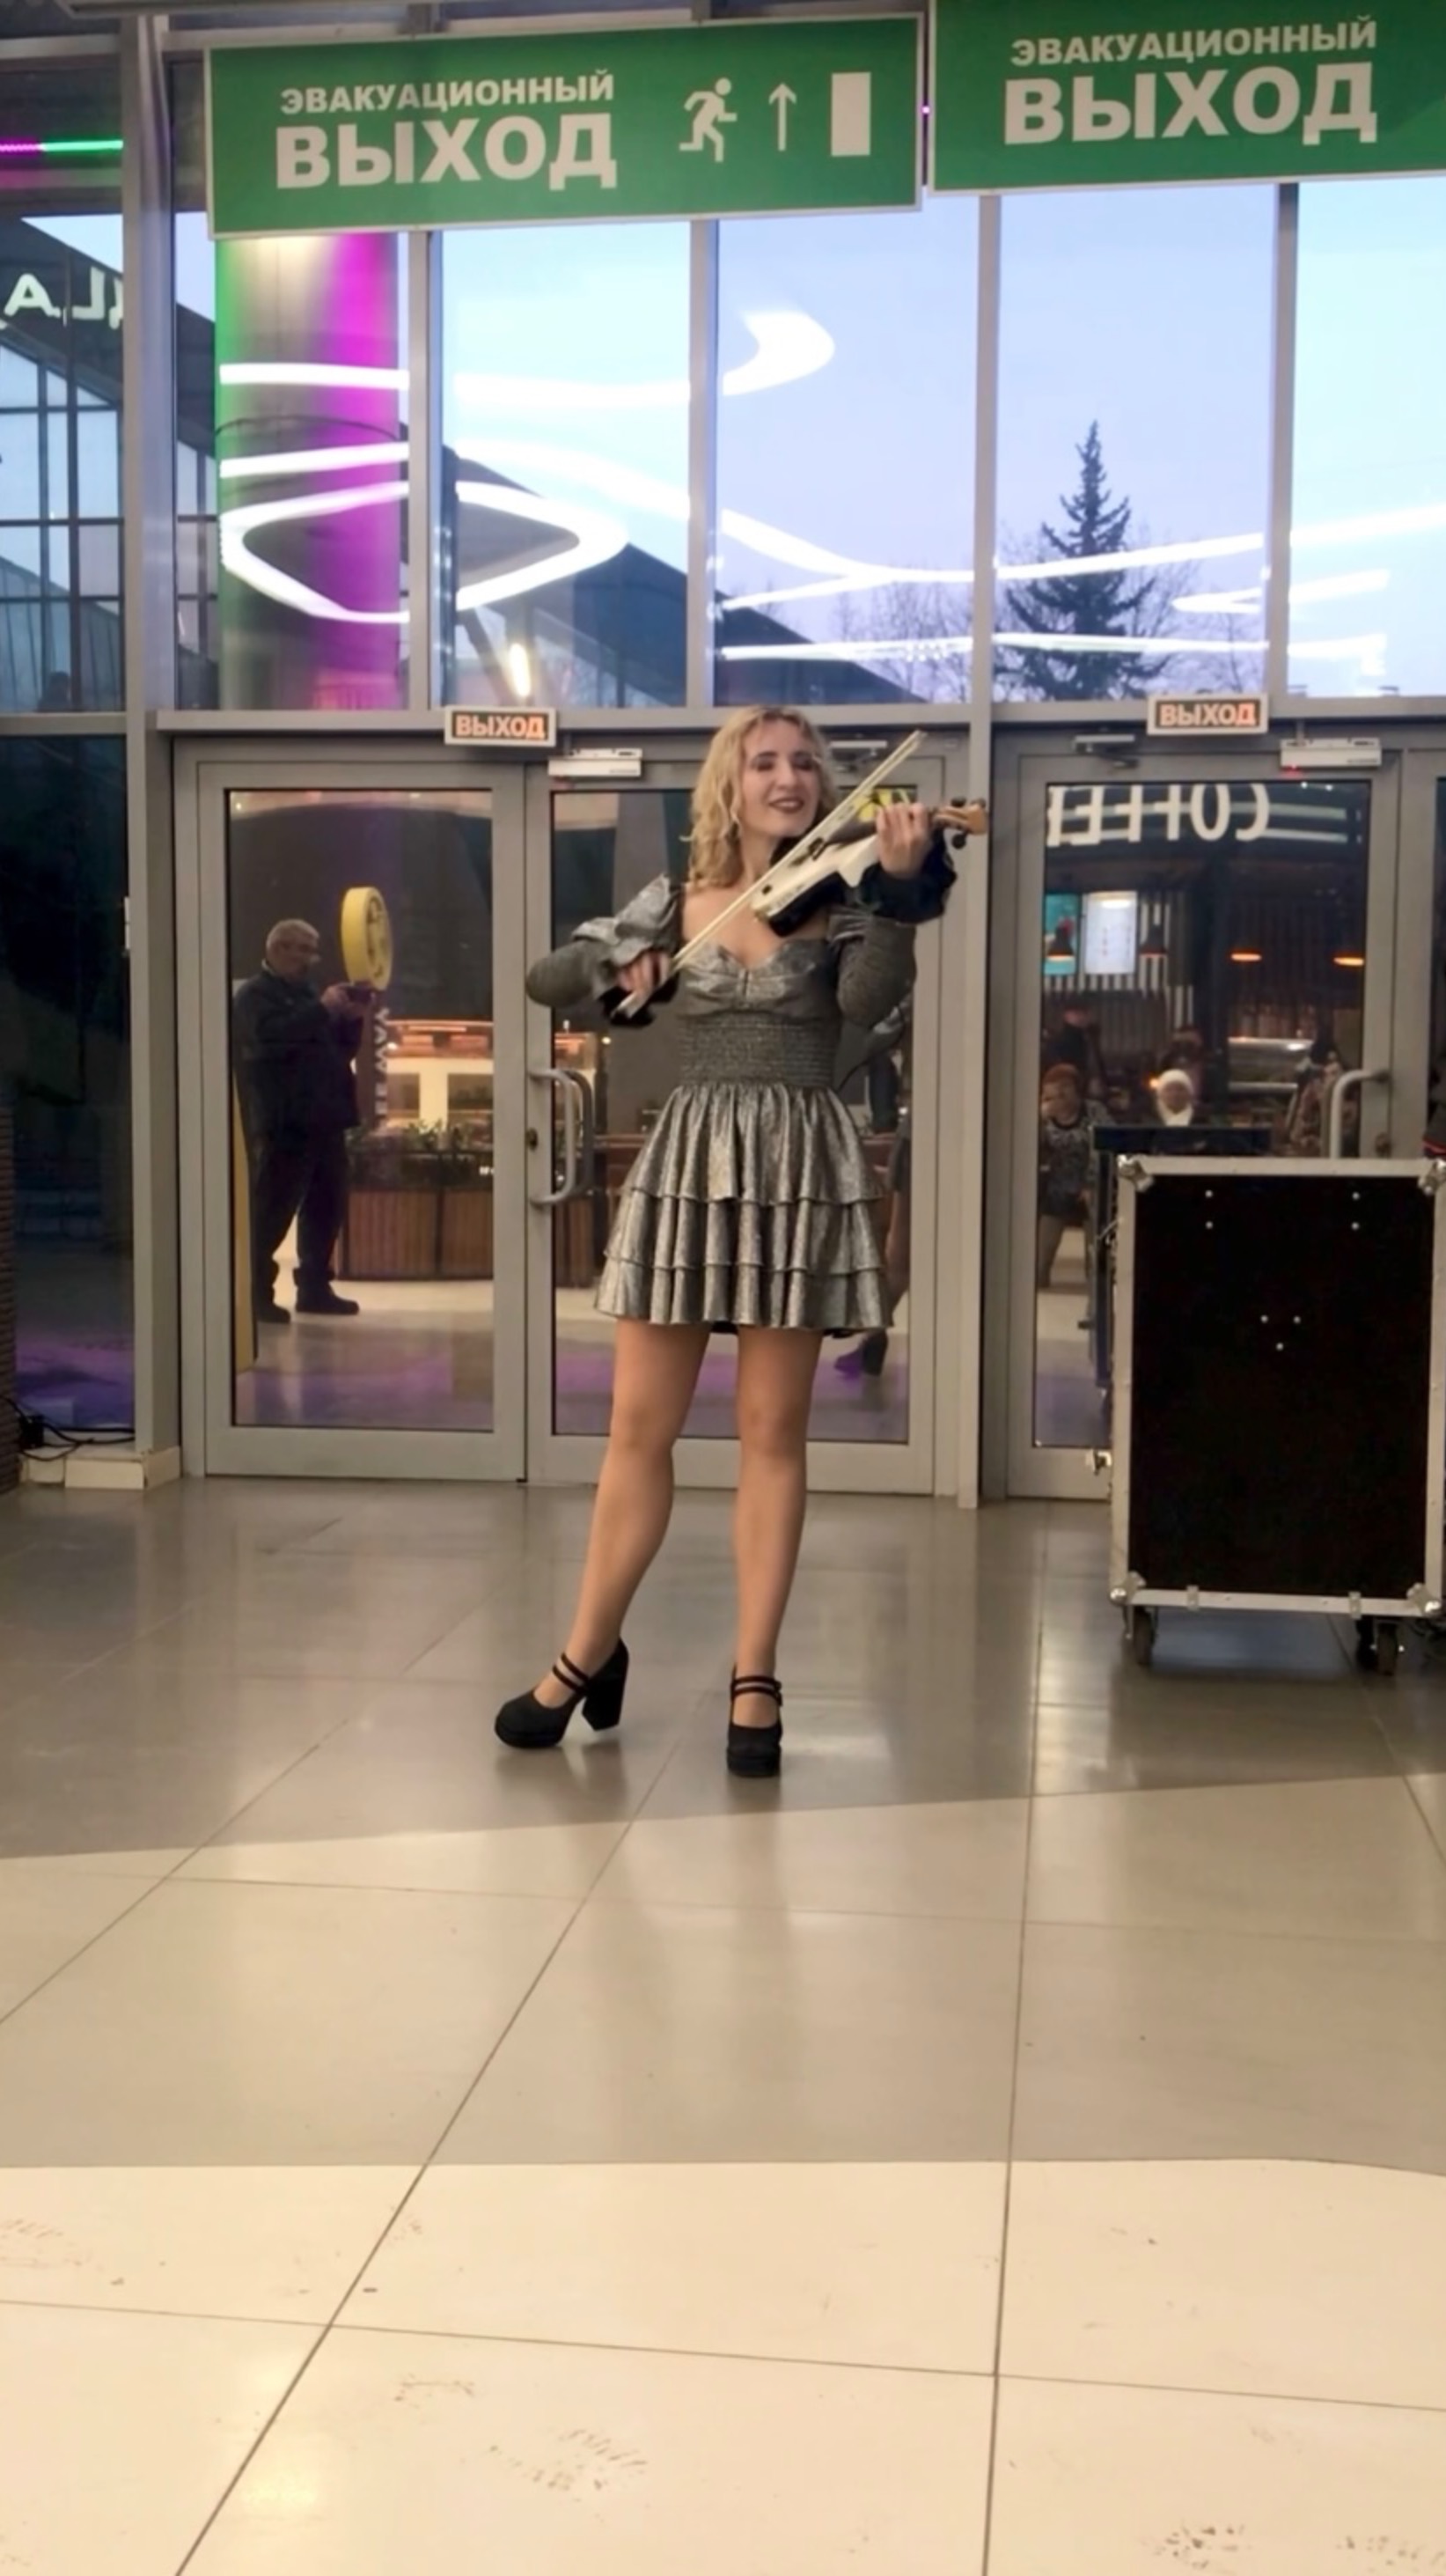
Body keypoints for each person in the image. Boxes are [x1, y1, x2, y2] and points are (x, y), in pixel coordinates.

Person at [494, 706, 958, 1778]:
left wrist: (897, 893)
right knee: (636, 1430)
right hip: (691, 1162)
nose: (787, 778)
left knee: (769, 1433)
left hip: (795, 1163)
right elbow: (546, 980)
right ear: (729, 784)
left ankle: (756, 1672)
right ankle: (584, 1652)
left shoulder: (848, 898)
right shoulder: (676, 900)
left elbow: (867, 1001)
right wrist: (626, 964)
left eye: (803, 764)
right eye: (764, 763)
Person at [231, 919, 369, 1326]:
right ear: (279, 948)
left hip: (326, 1117)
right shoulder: (254, 996)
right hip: (286, 1119)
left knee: (326, 1205)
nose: (310, 960)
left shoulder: (308, 994)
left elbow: (337, 1053)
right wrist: (322, 1010)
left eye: (312, 951)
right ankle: (255, 1292)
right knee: (272, 1209)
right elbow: (269, 1041)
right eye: (303, 950)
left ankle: (315, 1286)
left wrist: (351, 1019)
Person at [1037, 1063, 1100, 1289]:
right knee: (1039, 1259)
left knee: (1096, 1252)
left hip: (1092, 1185)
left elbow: (1102, 1148)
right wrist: (1038, 1122)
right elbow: (1033, 1151)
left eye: (1065, 1088)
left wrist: (1091, 1183)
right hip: (1058, 1186)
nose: (1060, 1095)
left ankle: (1095, 1287)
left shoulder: (1093, 1112)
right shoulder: (1043, 1117)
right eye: (1054, 1090)